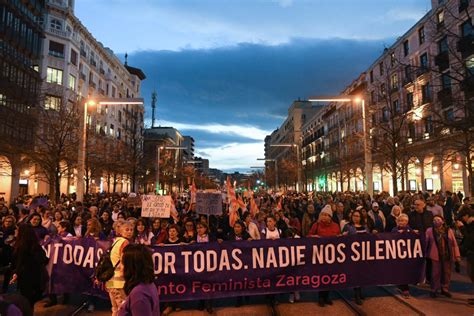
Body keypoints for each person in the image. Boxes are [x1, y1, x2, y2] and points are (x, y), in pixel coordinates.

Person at [10, 223, 49, 312]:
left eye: (17, 229)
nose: (15, 231)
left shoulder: (21, 246)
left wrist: (16, 273)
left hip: (26, 279)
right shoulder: (36, 245)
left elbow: (19, 263)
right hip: (37, 277)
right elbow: (45, 259)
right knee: (32, 302)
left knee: (26, 302)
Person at [307, 205, 340, 307]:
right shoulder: (316, 225)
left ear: (330, 216)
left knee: (330, 276)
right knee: (322, 276)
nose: (325, 217)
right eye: (323, 215)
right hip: (320, 256)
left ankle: (327, 296)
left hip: (331, 256)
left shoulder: (335, 226)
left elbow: (339, 238)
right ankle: (321, 297)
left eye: (327, 215)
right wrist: (313, 237)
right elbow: (308, 236)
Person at [118, 244, 159, 316]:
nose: (119, 266)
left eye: (122, 263)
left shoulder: (139, 294)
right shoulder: (147, 285)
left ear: (132, 266)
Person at [425, 215, 461, 298]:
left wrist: (457, 256)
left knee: (446, 273)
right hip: (435, 255)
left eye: (438, 219)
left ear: (443, 221)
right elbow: (426, 242)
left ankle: (445, 289)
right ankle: (434, 289)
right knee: (435, 273)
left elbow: (454, 243)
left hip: (447, 255)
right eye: (434, 220)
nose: (436, 221)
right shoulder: (429, 231)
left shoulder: (449, 230)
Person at [106, 221, 133, 316]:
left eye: (131, 230)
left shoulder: (116, 240)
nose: (129, 232)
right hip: (118, 279)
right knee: (123, 307)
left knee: (115, 308)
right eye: (127, 230)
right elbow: (123, 260)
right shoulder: (125, 242)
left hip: (110, 278)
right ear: (121, 231)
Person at [342, 209, 368, 305]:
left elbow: (369, 238)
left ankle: (360, 291)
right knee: (355, 273)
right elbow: (342, 238)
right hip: (352, 254)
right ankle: (356, 294)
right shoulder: (348, 226)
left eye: (357, 216)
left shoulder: (364, 226)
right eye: (354, 216)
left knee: (362, 273)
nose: (356, 217)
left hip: (363, 253)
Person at [391, 214, 413, 298]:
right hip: (396, 253)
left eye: (403, 221)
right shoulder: (394, 229)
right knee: (398, 270)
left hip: (406, 254)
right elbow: (390, 238)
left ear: (407, 222)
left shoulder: (409, 230)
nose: (401, 222)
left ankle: (405, 288)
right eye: (400, 220)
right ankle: (400, 285)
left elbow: (413, 239)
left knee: (405, 270)